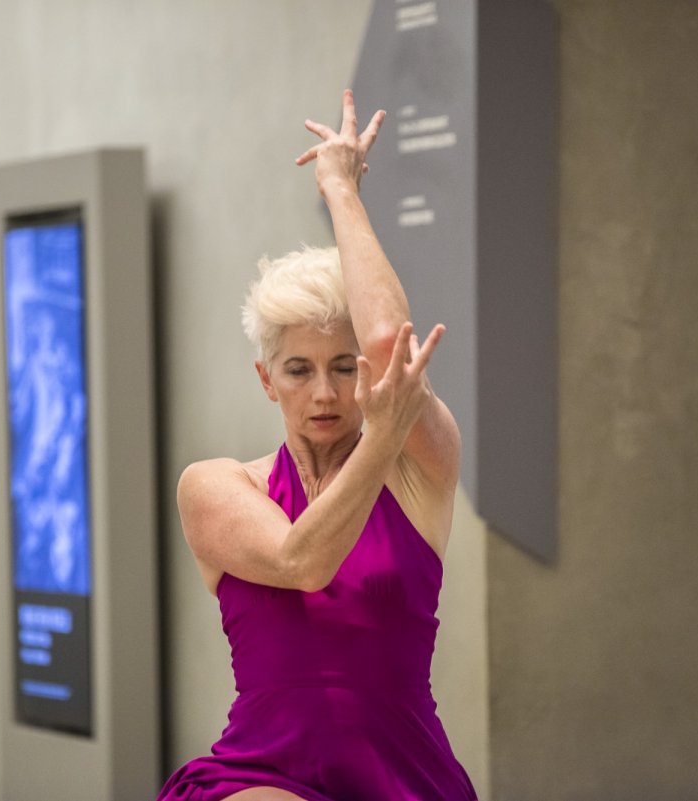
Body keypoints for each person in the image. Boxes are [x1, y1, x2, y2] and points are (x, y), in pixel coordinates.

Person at [155, 89, 478, 801]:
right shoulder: (216, 487)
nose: (326, 394)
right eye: (300, 370)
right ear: (266, 379)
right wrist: (380, 437)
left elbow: (390, 343)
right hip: (260, 774)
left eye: (344, 368)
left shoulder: (416, 470)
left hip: (407, 776)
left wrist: (341, 189)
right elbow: (300, 561)